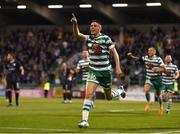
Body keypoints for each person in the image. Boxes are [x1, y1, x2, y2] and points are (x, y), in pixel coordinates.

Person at [71, 13, 126, 128]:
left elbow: (115, 53)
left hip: (105, 72)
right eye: (91, 25)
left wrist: (118, 67)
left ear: (100, 28)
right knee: (88, 94)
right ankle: (84, 121)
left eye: (95, 25)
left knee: (109, 97)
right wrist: (75, 24)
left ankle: (120, 90)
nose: (92, 27)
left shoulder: (105, 38)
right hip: (93, 71)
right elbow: (77, 35)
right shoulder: (89, 38)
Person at [127, 47, 165, 115]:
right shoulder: (145, 58)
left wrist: (157, 69)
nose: (149, 52)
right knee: (146, 90)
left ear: (154, 52)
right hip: (149, 77)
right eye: (148, 50)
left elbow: (163, 69)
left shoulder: (158, 59)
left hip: (157, 78)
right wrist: (131, 56)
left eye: (151, 51)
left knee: (158, 94)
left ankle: (161, 107)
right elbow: (137, 59)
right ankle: (149, 103)